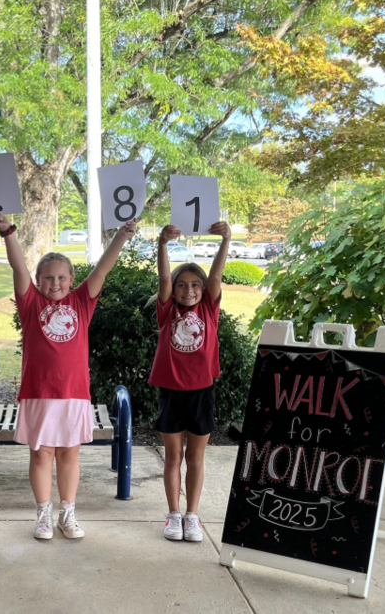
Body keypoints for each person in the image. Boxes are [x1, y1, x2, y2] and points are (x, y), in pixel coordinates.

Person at [0, 211, 137, 540]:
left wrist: (121, 237)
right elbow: (18, 268)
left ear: (72, 279)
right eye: (47, 278)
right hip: (39, 393)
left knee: (70, 454)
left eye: (61, 278)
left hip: (73, 392)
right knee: (42, 454)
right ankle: (43, 513)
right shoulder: (30, 303)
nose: (54, 284)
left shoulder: (82, 302)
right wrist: (8, 232)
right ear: (39, 280)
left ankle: (67, 513)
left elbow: (103, 268)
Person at [148, 221, 231, 543]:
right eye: (183, 285)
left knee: (196, 458)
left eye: (195, 285)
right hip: (171, 392)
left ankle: (192, 516)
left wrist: (226, 240)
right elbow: (164, 277)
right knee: (173, 457)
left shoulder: (209, 308)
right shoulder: (167, 312)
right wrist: (162, 244)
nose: (189, 291)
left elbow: (217, 276)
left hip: (201, 392)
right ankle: (173, 514)